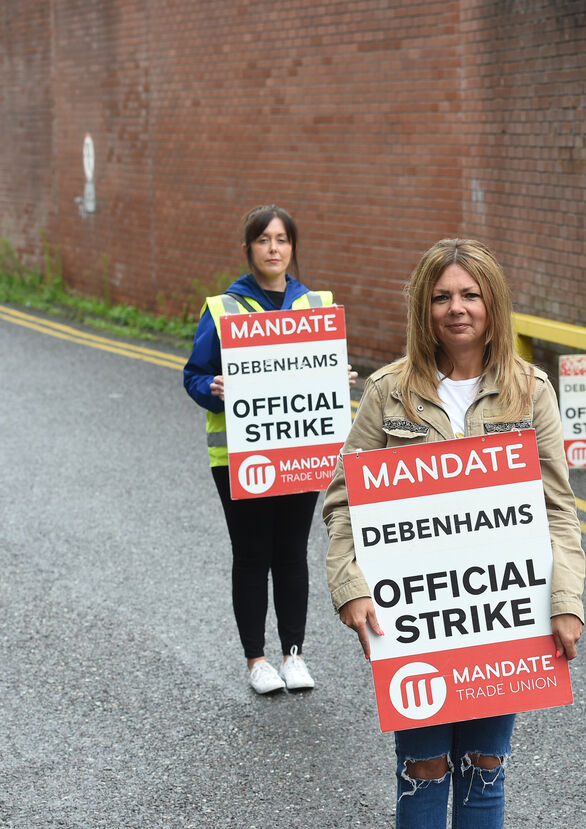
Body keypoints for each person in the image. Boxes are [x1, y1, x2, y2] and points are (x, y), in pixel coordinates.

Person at [323, 238, 586, 828]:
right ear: (424, 308)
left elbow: (557, 510)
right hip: (416, 620)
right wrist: (351, 587)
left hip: (501, 615)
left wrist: (566, 603)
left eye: (470, 294)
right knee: (425, 768)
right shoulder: (389, 391)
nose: (456, 308)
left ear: (493, 304)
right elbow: (343, 502)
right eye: (441, 297)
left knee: (485, 765)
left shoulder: (531, 389)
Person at [184, 204, 349, 695]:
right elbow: (192, 374)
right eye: (263, 240)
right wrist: (209, 386)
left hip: (300, 455)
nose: (273, 248)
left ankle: (293, 654)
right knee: (253, 555)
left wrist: (335, 381)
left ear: (292, 248)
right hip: (242, 458)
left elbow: (321, 372)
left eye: (281, 239)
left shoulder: (315, 306)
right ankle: (257, 660)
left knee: (292, 552)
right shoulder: (223, 308)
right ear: (248, 249)